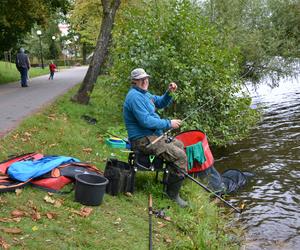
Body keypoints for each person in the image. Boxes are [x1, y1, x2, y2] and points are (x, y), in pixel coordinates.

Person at [123, 68, 188, 207]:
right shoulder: (134, 97)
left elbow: (160, 102)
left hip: (152, 136)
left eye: (146, 78)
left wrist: (169, 92)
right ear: (134, 81)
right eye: (141, 79)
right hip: (142, 140)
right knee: (180, 157)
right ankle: (173, 196)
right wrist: (168, 123)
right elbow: (145, 121)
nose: (145, 81)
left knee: (180, 145)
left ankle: (170, 182)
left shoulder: (145, 94)